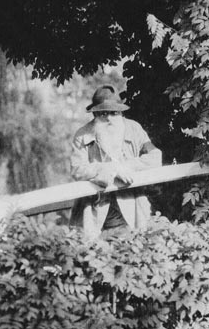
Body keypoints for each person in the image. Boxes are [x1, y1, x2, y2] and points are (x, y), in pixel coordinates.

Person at [69, 85, 162, 237]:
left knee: (137, 249)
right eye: (104, 113)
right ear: (95, 114)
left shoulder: (134, 129)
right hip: (95, 213)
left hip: (132, 209)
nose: (109, 118)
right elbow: (77, 169)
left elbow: (155, 156)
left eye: (114, 112)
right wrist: (110, 169)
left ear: (121, 112)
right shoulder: (82, 136)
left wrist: (124, 166)